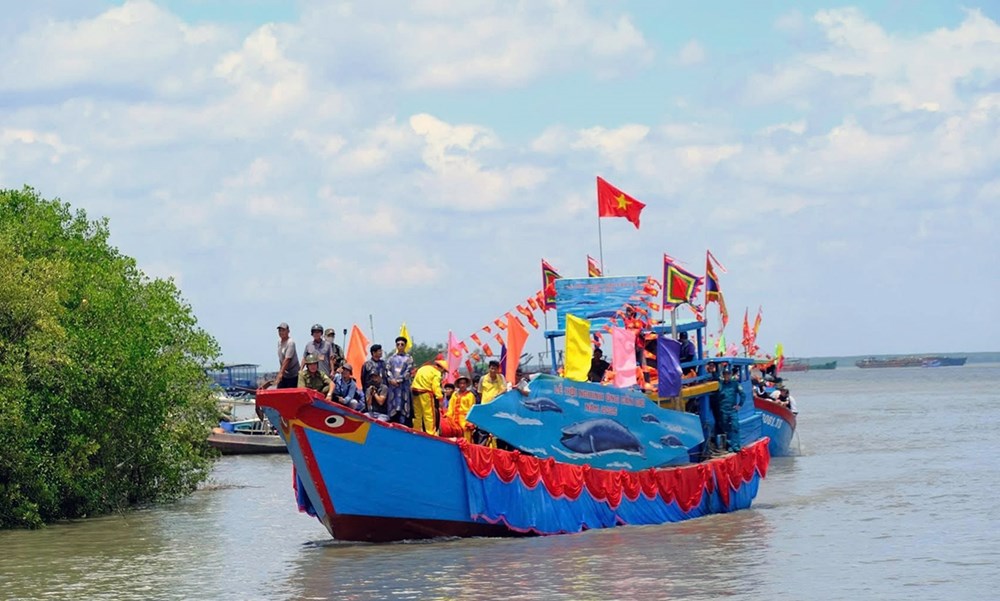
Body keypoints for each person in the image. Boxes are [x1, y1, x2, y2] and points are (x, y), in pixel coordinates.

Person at [411, 360, 448, 435]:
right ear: (442, 368)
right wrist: (440, 397)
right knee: (429, 414)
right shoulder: (436, 372)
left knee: (417, 414)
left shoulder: (424, 367)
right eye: (444, 371)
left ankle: (416, 430)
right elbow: (435, 386)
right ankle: (430, 433)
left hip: (415, 391)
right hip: (425, 393)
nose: (443, 373)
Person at [385, 336, 415, 425]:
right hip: (393, 387)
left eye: (402, 344)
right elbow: (387, 370)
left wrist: (399, 380)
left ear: (405, 346)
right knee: (393, 407)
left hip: (403, 386)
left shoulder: (409, 358)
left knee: (403, 407)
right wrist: (391, 379)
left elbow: (408, 371)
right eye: (398, 344)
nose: (400, 346)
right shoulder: (391, 358)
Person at [718, 365, 745, 452]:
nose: (726, 376)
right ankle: (730, 445)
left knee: (735, 427)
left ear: (730, 375)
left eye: (728, 374)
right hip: (723, 410)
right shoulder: (720, 384)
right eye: (725, 374)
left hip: (732, 410)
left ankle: (736, 446)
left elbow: (743, 394)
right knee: (726, 428)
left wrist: (740, 405)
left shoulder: (735, 384)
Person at [444, 376, 477, 442]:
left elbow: (472, 410)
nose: (462, 385)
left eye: (464, 383)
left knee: (466, 440)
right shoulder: (454, 394)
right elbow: (450, 407)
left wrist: (470, 422)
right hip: (454, 421)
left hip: (465, 421)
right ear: (458, 384)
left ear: (466, 384)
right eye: (461, 383)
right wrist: (448, 416)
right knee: (454, 439)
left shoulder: (470, 395)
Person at [275, 322, 300, 388]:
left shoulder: (290, 343)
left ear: (288, 331)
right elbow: (281, 359)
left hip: (293, 375)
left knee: (291, 392)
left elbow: (287, 359)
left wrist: (280, 373)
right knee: (279, 391)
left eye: (283, 330)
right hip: (284, 374)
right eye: (280, 331)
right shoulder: (279, 342)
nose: (281, 332)